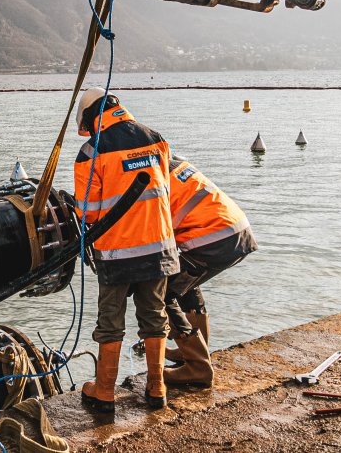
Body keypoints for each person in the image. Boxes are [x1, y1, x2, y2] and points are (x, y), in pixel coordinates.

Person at [73, 87, 178, 412]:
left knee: (110, 322)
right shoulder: (156, 138)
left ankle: (104, 391)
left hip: (117, 253)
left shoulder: (92, 151)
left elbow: (86, 212)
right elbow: (166, 190)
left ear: (90, 118)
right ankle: (157, 388)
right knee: (154, 317)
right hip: (159, 246)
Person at [161, 154, 257, 387]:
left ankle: (198, 367)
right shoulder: (175, 163)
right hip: (237, 231)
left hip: (215, 240)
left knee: (162, 293)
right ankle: (192, 352)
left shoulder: (155, 177)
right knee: (186, 284)